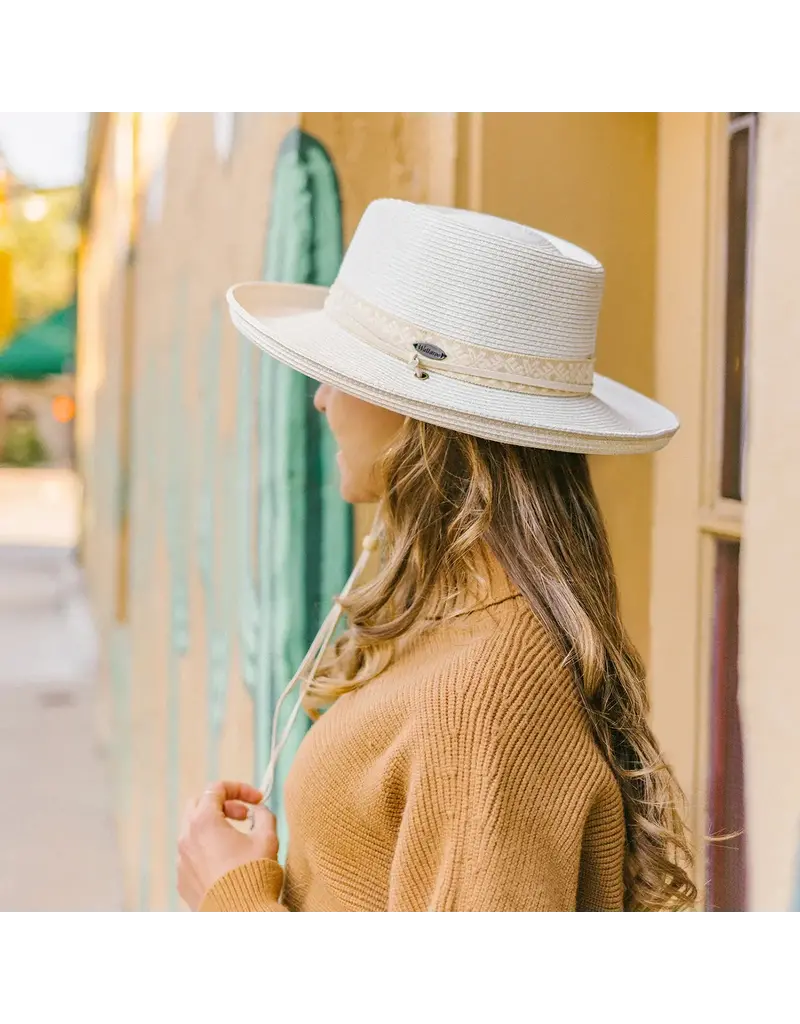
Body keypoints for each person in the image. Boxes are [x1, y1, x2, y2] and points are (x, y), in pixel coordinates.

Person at [176, 199, 696, 912]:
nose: (322, 399)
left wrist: (230, 892)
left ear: (421, 417)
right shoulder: (456, 623)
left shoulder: (489, 695)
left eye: (345, 373)